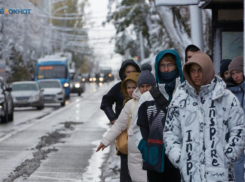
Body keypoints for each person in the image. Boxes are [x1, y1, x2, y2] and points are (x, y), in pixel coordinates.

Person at [163, 51, 245, 182]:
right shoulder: (180, 99)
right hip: (190, 175)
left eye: (200, 70)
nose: (196, 75)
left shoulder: (226, 97)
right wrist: (180, 158)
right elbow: (170, 133)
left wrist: (227, 156)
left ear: (207, 69)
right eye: (193, 70)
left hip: (221, 175)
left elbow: (239, 129)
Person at [97, 68, 156, 182]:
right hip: (135, 155)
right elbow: (119, 125)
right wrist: (105, 141)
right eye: (142, 86)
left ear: (153, 86)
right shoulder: (131, 104)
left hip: (154, 150)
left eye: (147, 86)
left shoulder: (159, 102)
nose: (144, 89)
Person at [134, 49, 184, 182]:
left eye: (170, 64)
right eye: (162, 65)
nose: (166, 69)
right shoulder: (147, 97)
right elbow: (138, 127)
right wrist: (144, 147)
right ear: (157, 67)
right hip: (155, 159)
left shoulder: (186, 94)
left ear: (177, 66)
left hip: (182, 159)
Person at [100, 59, 141, 182]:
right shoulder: (118, 88)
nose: (131, 74)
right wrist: (113, 118)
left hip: (140, 135)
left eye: (133, 71)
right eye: (128, 72)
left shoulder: (142, 87)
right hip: (124, 135)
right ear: (123, 74)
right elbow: (105, 102)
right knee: (126, 169)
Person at [226, 56, 245, 182]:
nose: (235, 76)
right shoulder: (229, 92)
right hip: (237, 134)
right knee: (238, 163)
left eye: (238, 72)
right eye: (233, 73)